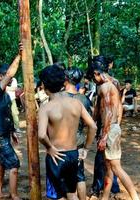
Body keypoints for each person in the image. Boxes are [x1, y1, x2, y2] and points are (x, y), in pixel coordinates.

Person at [38, 64, 97, 200]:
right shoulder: (76, 103)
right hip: (73, 154)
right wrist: (86, 149)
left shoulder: (46, 108)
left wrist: (50, 148)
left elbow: (41, 135)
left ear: (44, 86)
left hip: (56, 156)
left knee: (57, 196)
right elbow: (93, 126)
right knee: (71, 193)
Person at [87, 60, 139, 200]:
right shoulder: (108, 85)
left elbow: (109, 113)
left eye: (93, 77)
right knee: (109, 168)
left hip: (109, 129)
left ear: (96, 73)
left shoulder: (105, 87)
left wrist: (104, 136)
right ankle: (104, 197)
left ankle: (135, 197)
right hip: (111, 128)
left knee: (116, 167)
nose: (93, 80)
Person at [0, 45, 22, 200]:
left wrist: (13, 131)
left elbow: (7, 115)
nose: (11, 79)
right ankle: (13, 195)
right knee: (14, 164)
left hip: (3, 133)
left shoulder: (6, 96)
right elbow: (10, 74)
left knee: (1, 163)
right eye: (7, 77)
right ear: (1, 77)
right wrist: (19, 56)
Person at [60, 67, 92, 200]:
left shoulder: (59, 97)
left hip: (62, 142)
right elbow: (88, 123)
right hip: (78, 141)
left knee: (63, 177)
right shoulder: (84, 99)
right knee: (80, 176)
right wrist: (86, 148)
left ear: (66, 79)